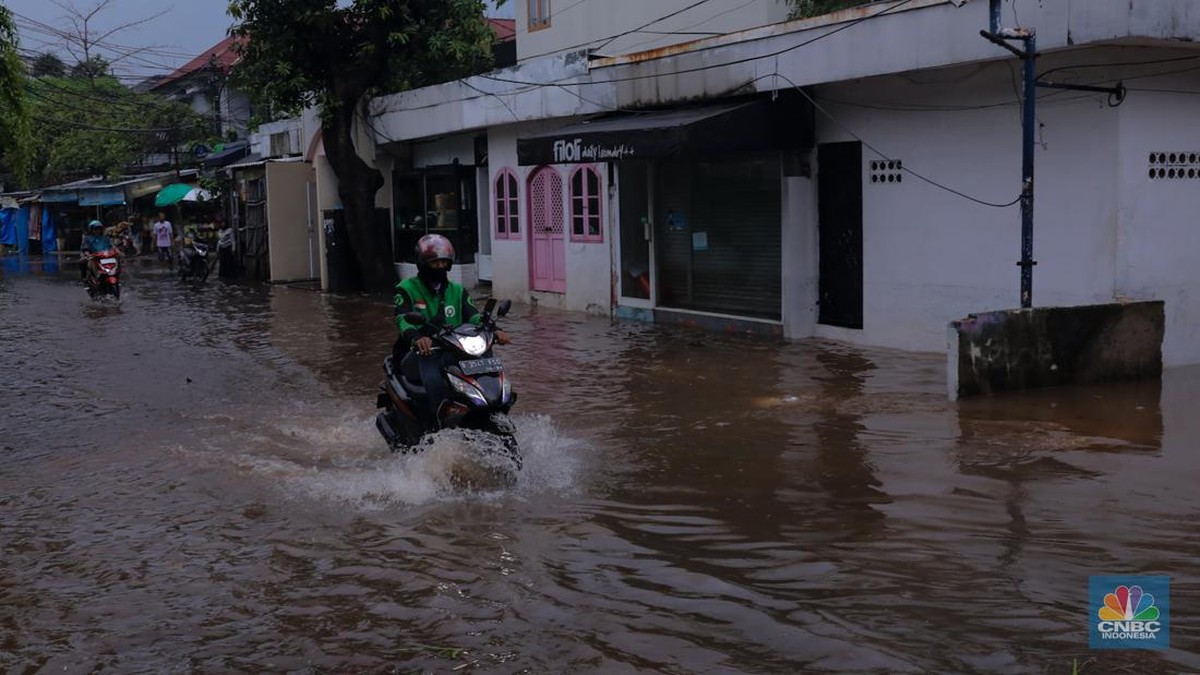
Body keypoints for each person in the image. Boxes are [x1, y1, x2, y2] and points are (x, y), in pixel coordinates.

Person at [391, 234, 510, 407]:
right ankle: (436, 418)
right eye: (435, 263)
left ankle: (496, 405)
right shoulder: (406, 289)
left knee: (487, 361)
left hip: (454, 349)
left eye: (443, 262)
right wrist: (417, 338)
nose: (440, 266)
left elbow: (473, 316)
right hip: (420, 353)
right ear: (422, 264)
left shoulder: (457, 290)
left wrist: (494, 330)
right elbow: (403, 319)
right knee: (433, 374)